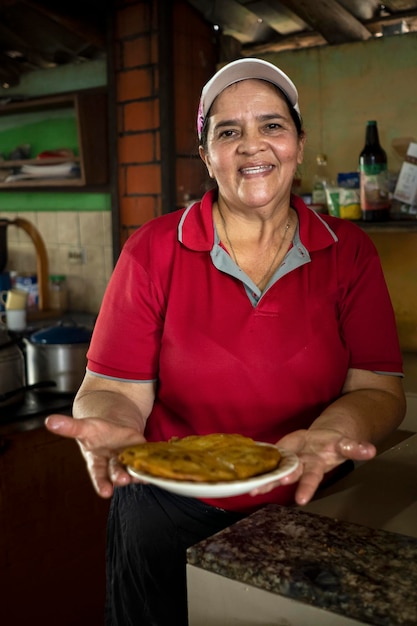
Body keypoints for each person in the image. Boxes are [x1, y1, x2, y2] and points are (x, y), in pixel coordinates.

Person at [45, 58, 406, 625]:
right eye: (228, 131)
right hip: (167, 508)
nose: (252, 145)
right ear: (207, 154)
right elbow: (113, 387)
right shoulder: (154, 249)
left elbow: (378, 388)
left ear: (298, 142)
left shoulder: (348, 250)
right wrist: (113, 420)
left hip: (308, 506)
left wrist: (334, 433)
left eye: (272, 125)